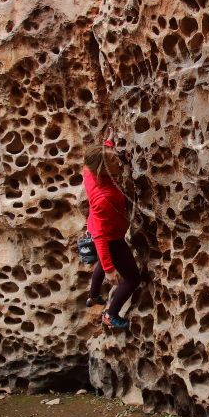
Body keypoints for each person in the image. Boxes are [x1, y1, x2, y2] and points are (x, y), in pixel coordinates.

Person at [81, 137, 141, 329]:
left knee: (102, 259)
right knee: (132, 279)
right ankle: (110, 314)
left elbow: (103, 155)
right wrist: (109, 269)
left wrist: (109, 143)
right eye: (113, 160)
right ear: (102, 169)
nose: (118, 161)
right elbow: (100, 237)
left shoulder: (89, 171)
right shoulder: (104, 197)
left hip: (95, 226)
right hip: (111, 238)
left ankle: (93, 295)